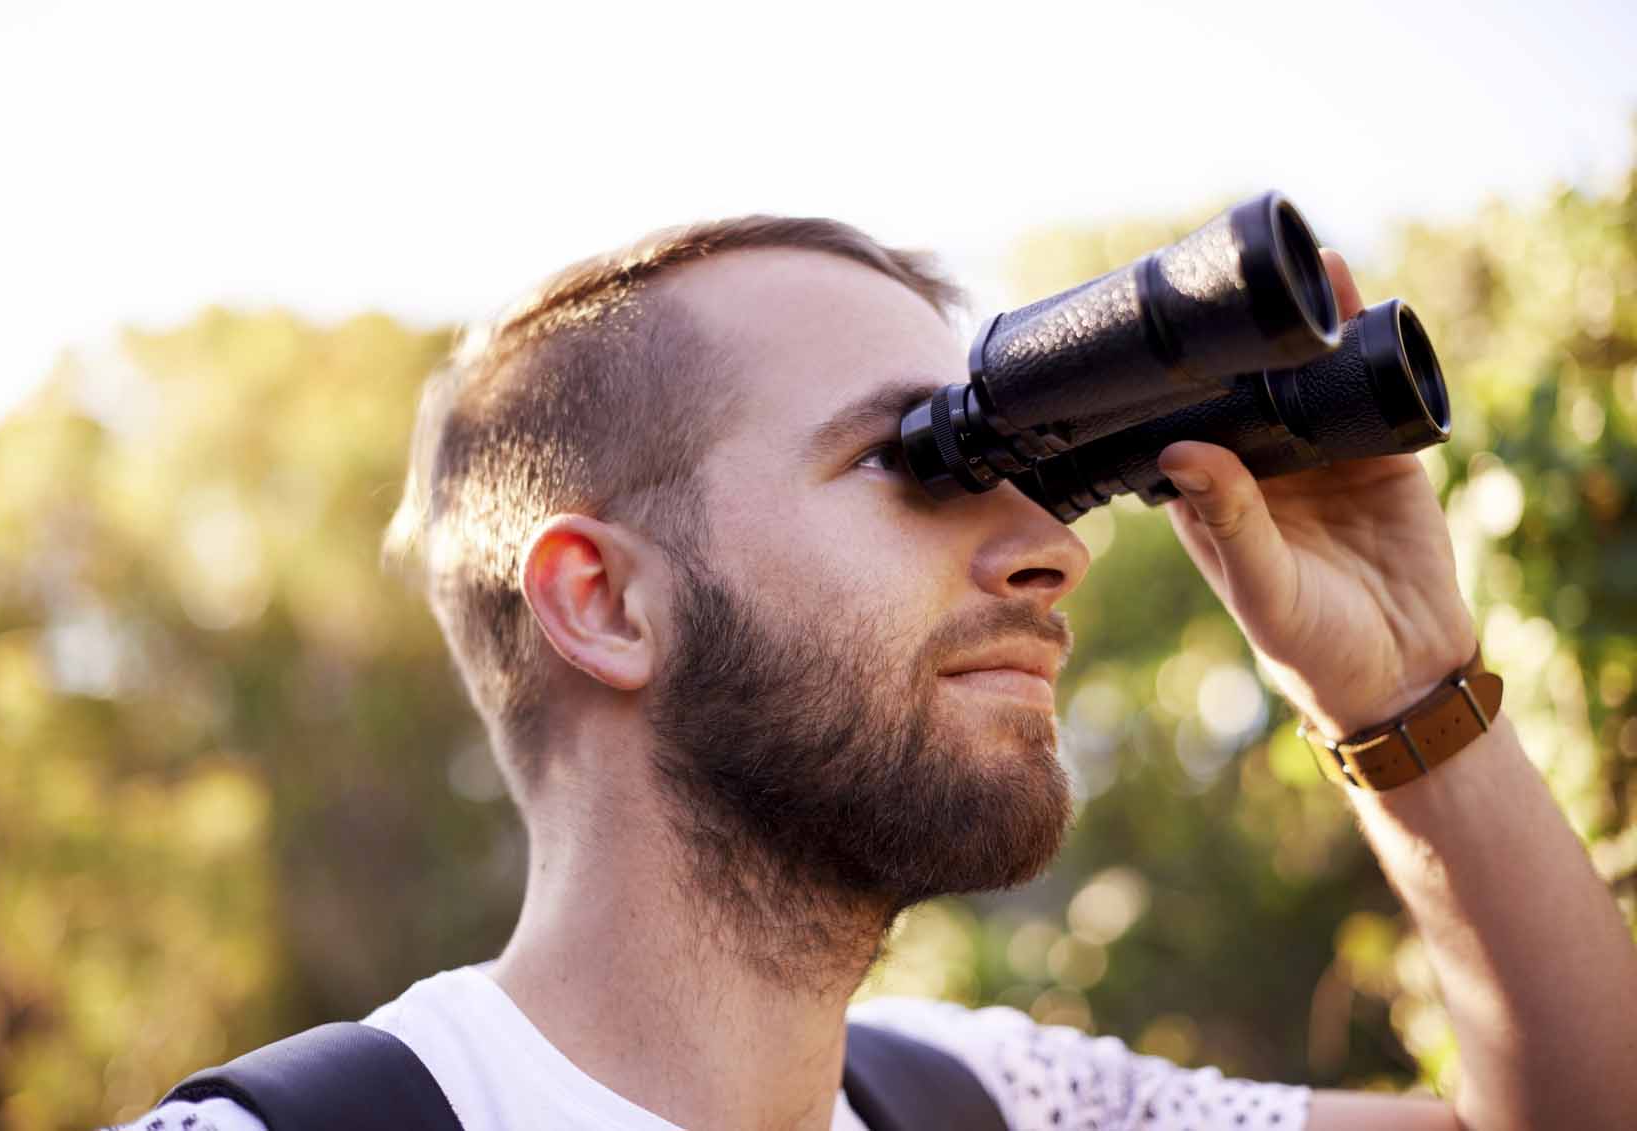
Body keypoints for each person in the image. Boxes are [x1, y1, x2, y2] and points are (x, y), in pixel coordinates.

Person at [127, 217, 1637, 1130]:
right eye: (917, 461)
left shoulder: (986, 1109)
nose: (1056, 549)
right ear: (604, 603)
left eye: (1034, 465)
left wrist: (1409, 690)